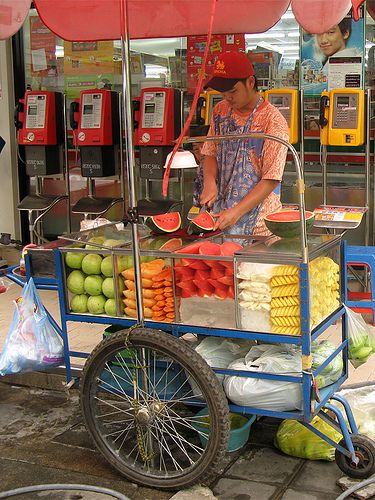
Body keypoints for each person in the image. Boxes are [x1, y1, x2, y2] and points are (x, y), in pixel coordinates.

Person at [200, 51, 289, 236]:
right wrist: (209, 182)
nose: (228, 98)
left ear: (250, 82)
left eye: (233, 91)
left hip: (260, 227)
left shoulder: (272, 121)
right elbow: (210, 152)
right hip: (222, 218)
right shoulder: (220, 111)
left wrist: (237, 212)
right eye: (223, 93)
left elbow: (271, 179)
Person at [189, 125, 209, 207]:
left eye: (205, 146)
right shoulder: (200, 168)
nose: (201, 152)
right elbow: (198, 202)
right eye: (196, 149)